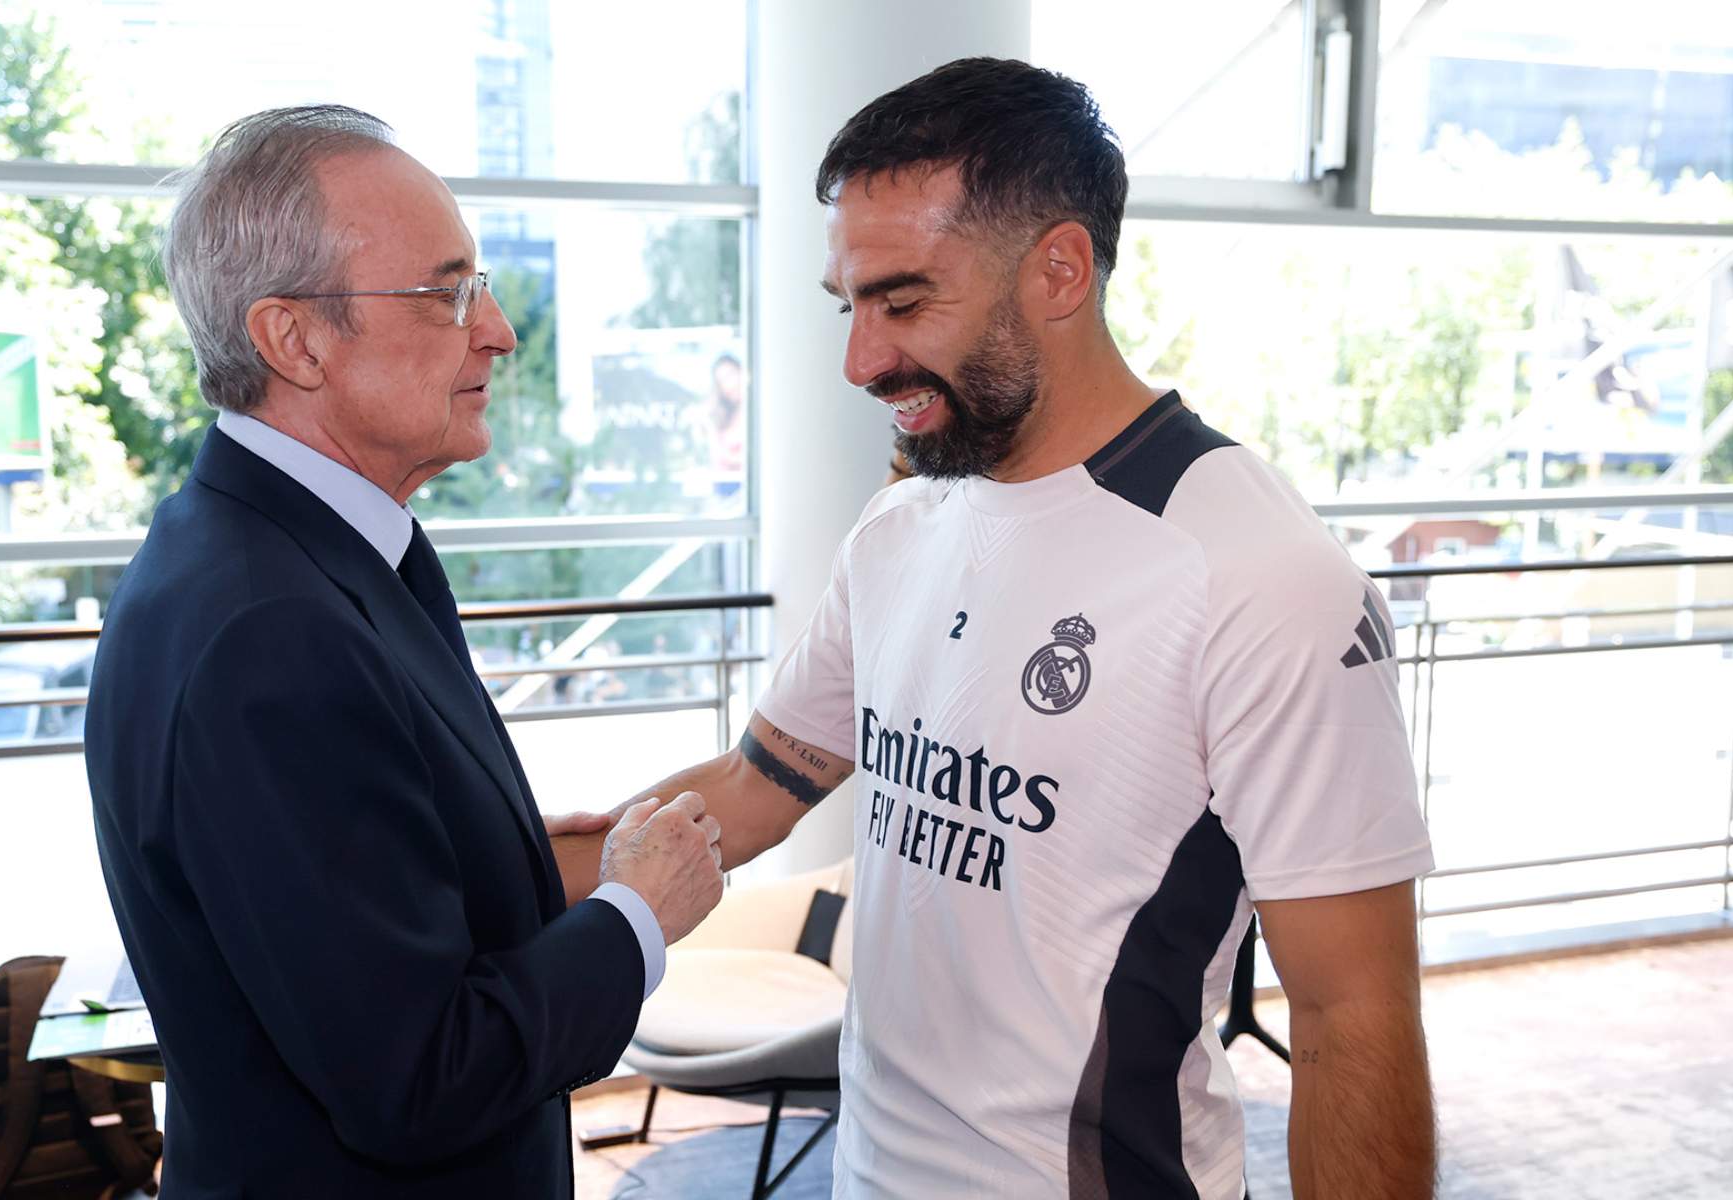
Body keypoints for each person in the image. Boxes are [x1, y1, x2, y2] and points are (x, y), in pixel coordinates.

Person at [556, 58, 1435, 1198]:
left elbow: (1350, 1017)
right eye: (849, 304)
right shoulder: (900, 525)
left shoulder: (1258, 573)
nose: (860, 360)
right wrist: (459, 878)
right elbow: (748, 790)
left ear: (1059, 269)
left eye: (904, 302)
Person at [82, 105, 725, 1198]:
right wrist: (634, 919)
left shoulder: (276, 551)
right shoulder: (270, 634)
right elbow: (418, 1081)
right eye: (446, 293)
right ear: (294, 339)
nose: (498, 332)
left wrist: (500, 855)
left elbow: (326, 911)